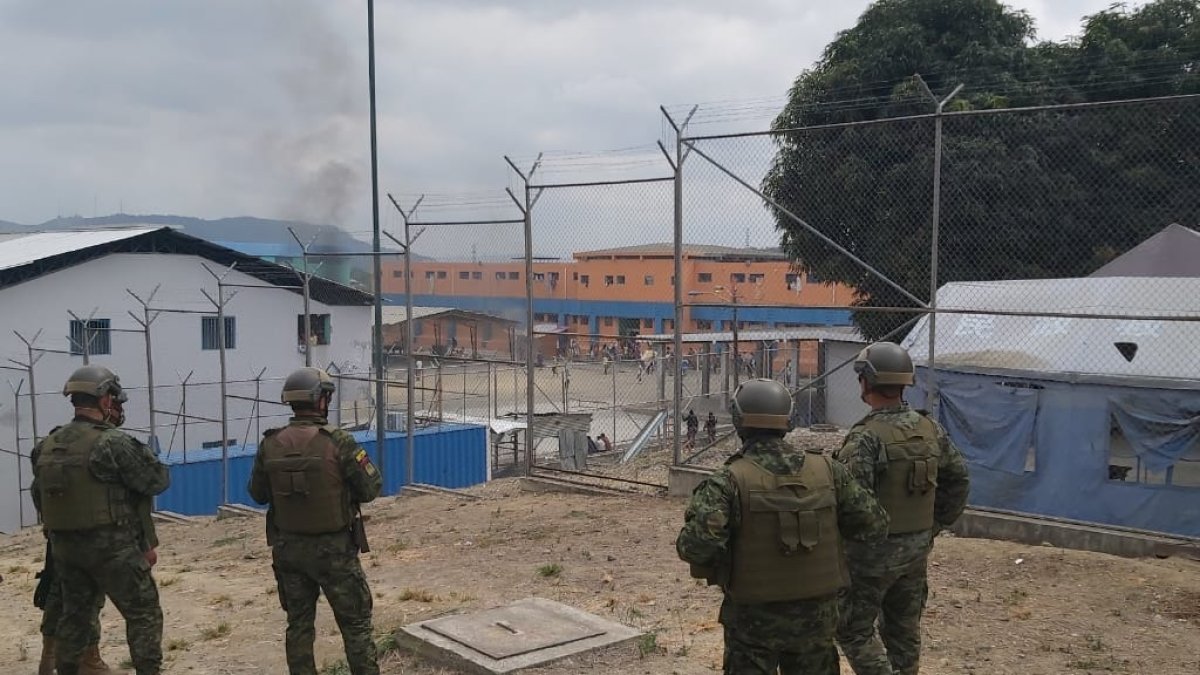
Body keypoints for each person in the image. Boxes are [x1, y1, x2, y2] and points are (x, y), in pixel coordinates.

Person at [677, 379, 888, 674]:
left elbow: (696, 547)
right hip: (818, 617)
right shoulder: (830, 472)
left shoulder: (727, 481)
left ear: (739, 420)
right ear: (787, 420)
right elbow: (874, 525)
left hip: (752, 622)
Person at [835, 342, 971, 675]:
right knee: (903, 629)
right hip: (915, 549)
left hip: (872, 556)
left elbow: (852, 504)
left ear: (866, 382)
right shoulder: (929, 429)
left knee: (853, 630)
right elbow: (959, 481)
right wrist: (932, 526)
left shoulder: (864, 438)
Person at [32, 365, 169, 675]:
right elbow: (156, 481)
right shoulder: (113, 443)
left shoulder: (47, 445)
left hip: (66, 549)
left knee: (75, 617)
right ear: (105, 400)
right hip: (113, 549)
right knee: (144, 613)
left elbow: (38, 493)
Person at [249, 367, 383, 675]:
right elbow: (371, 488)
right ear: (320, 400)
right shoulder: (340, 442)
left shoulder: (270, 444)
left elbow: (257, 494)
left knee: (298, 625)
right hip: (334, 551)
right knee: (356, 626)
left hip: (289, 551)